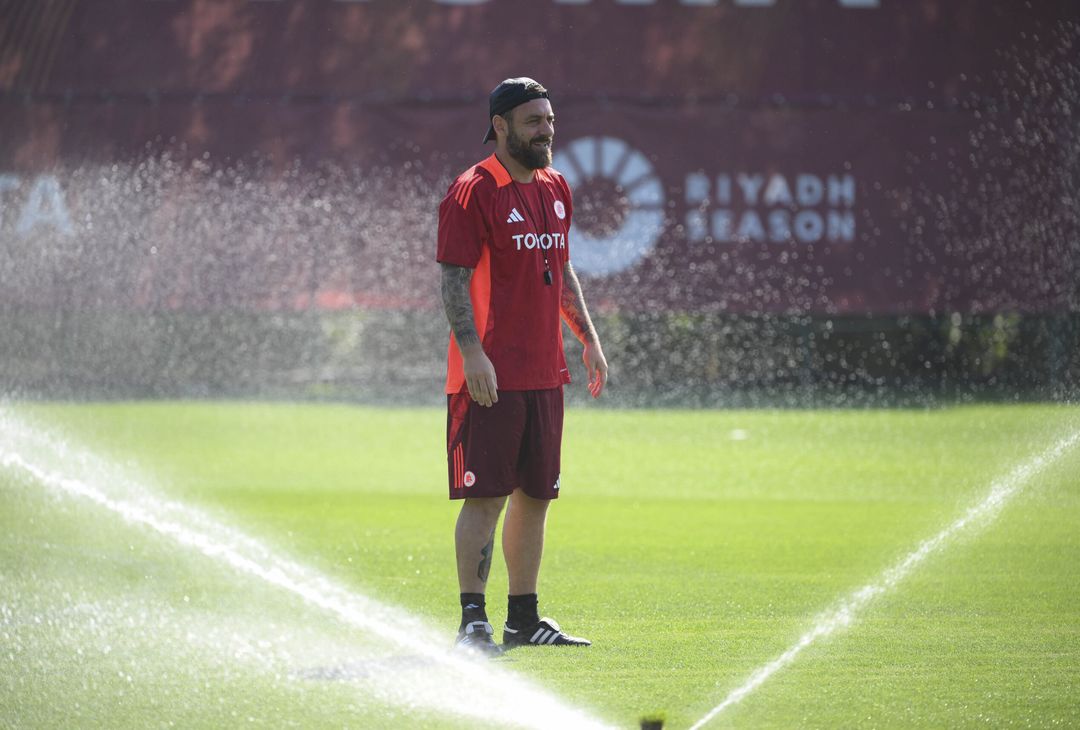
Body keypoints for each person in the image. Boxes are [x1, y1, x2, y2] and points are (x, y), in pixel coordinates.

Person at [436, 77, 608, 656]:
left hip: (544, 373)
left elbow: (561, 270)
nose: (548, 131)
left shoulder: (557, 187)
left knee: (535, 497)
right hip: (488, 376)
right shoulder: (472, 190)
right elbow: (452, 280)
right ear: (502, 125)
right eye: (535, 121)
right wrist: (473, 353)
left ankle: (524, 619)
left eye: (551, 120)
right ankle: (472, 623)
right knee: (485, 500)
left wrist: (587, 337)